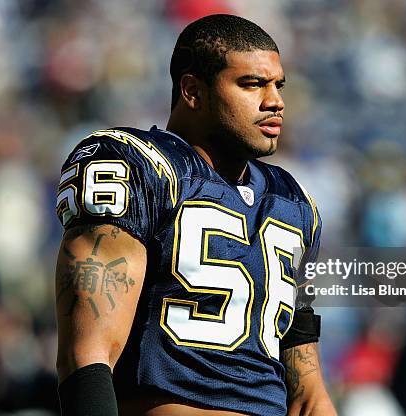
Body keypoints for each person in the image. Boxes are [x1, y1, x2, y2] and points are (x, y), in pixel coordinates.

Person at [54, 14, 336, 416]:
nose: (275, 101)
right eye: (252, 84)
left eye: (278, 85)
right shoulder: (139, 166)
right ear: (192, 91)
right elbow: (86, 355)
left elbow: (308, 391)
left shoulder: (293, 202)